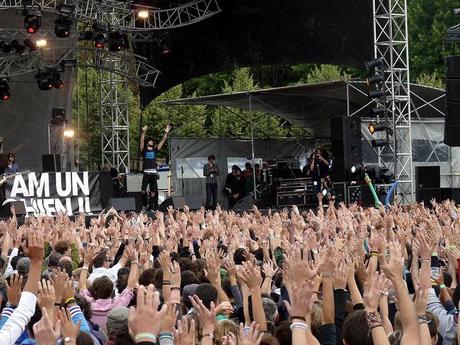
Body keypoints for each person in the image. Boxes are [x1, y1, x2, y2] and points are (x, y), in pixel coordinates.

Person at [139, 124, 171, 211]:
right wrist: (143, 132)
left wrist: (165, 133)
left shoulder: (155, 150)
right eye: (150, 141)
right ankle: (144, 204)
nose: (152, 142)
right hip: (146, 172)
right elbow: (141, 142)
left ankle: (151, 206)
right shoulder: (144, 150)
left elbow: (162, 141)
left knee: (153, 192)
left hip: (153, 172)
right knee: (143, 190)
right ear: (147, 142)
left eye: (152, 141)